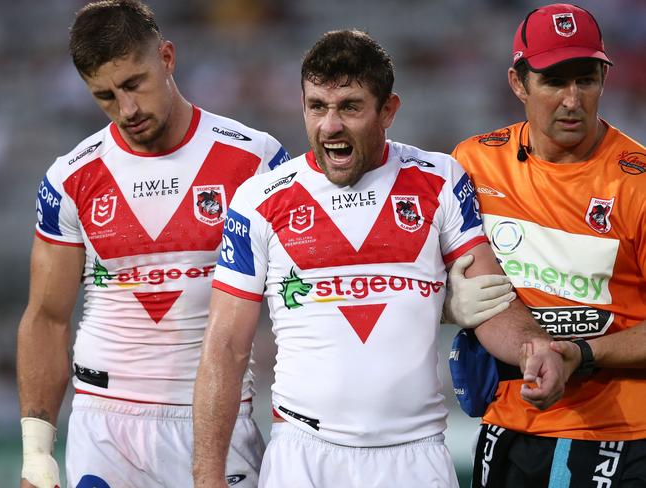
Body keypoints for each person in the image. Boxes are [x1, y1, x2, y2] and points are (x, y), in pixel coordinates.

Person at [192, 29, 570, 488]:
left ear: (388, 111)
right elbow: (225, 348)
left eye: (349, 106)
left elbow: (490, 301)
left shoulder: (441, 178)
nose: (330, 125)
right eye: (317, 106)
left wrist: (536, 350)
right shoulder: (259, 199)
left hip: (416, 456)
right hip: (302, 457)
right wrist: (207, 478)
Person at [17, 1, 289, 487]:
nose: (127, 110)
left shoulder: (256, 161)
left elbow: (307, 286)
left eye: (133, 84)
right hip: (104, 427)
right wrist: (37, 453)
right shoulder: (71, 178)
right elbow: (47, 317)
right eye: (104, 96)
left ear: (167, 57)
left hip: (215, 422)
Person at [451, 3, 646, 486]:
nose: (573, 100)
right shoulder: (474, 163)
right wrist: (451, 303)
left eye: (587, 79)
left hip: (617, 434)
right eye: (555, 81)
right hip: (506, 426)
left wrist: (580, 352)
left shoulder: (638, 183)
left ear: (604, 77)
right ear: (519, 83)